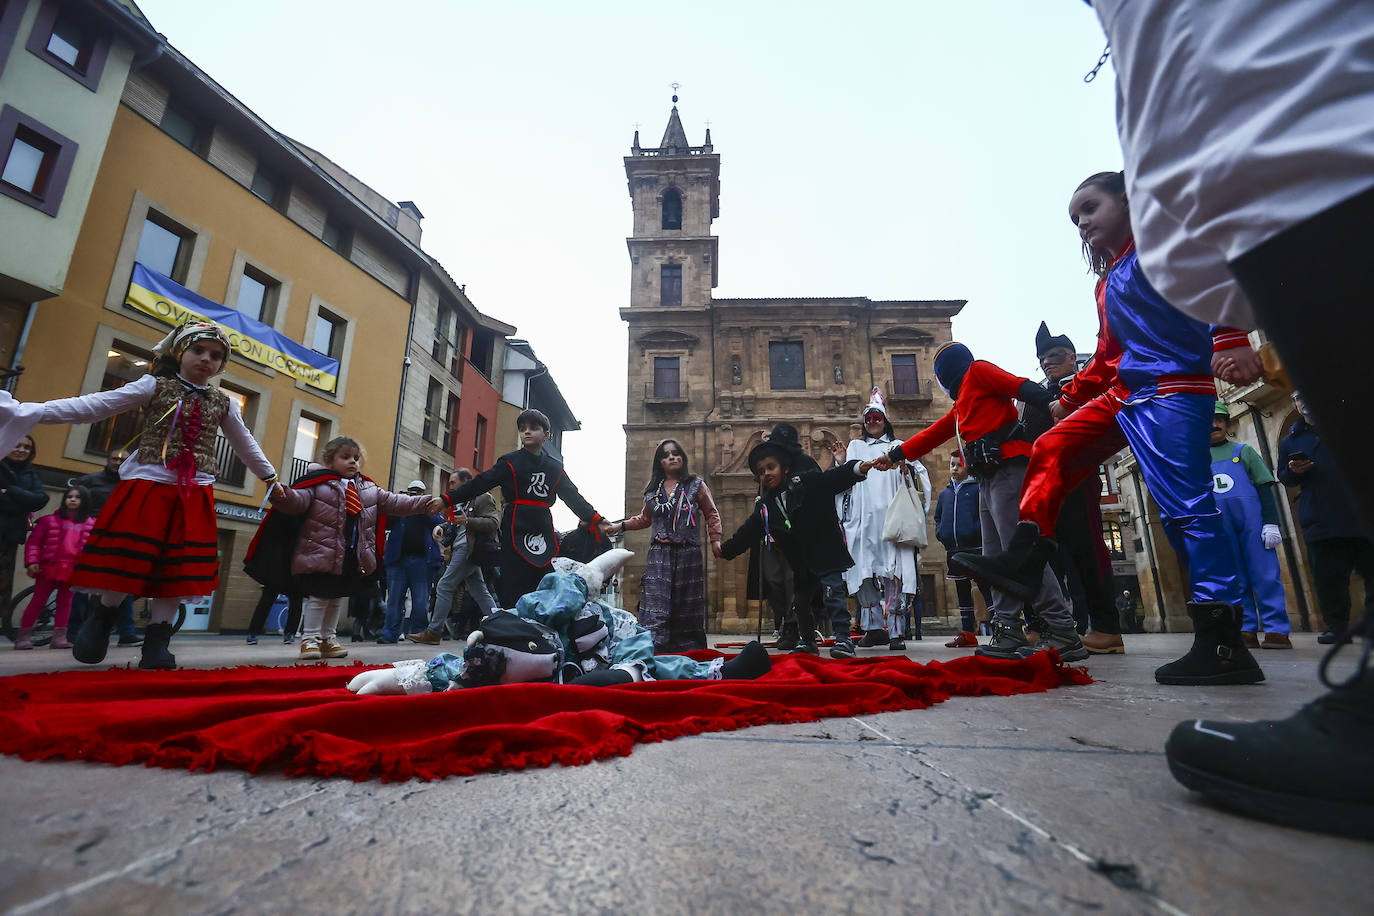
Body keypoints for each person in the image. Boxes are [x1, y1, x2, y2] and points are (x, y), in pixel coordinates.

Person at [954, 172, 1258, 685]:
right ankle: (1026, 559)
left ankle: (1224, 639)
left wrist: (1229, 339)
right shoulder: (1106, 282)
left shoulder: (1169, 246)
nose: (1083, 222)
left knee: (1186, 509)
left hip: (1175, 388)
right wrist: (1069, 397)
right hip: (1126, 391)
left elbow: (1217, 278)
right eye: (1075, 218)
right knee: (1049, 447)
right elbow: (1112, 355)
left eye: (1090, 208)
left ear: (1128, 201)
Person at [0, 320, 280, 670]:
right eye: (198, 351)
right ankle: (102, 621)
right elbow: (95, 405)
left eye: (216, 356)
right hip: (148, 485)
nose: (206, 359)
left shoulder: (223, 403)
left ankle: (157, 642)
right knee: (126, 559)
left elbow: (244, 442)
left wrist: (269, 477)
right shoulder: (153, 385)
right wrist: (36, 411)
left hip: (194, 493)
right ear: (180, 353)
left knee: (177, 568)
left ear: (222, 365)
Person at [874, 342, 1087, 662]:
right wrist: (894, 455)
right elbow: (931, 435)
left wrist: (1055, 401)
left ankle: (1062, 630)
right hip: (988, 478)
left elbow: (1019, 386)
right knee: (995, 558)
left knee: (1022, 552)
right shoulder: (961, 407)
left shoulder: (978, 371)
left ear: (944, 373)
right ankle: (1008, 628)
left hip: (1009, 469)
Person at [348, 549, 771, 694]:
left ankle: (715, 671)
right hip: (563, 660)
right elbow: (474, 663)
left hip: (608, 652)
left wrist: (627, 667)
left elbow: (635, 638)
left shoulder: (603, 614)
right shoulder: (520, 616)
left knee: (653, 665)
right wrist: (411, 676)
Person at [264, 437, 433, 660]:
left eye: (355, 458)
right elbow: (297, 500)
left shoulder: (368, 489)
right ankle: (309, 639)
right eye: (345, 457)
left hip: (348, 556)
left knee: (335, 597)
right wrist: (282, 493)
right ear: (329, 460)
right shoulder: (318, 486)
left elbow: (397, 502)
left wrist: (428, 503)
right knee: (318, 597)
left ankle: (328, 638)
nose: (352, 462)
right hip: (321, 553)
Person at [429, 409, 612, 610]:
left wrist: (596, 519)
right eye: (523, 429)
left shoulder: (554, 467)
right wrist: (446, 499)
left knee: (544, 578)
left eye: (534, 428)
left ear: (546, 435)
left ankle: (542, 627)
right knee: (514, 580)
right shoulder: (509, 462)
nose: (527, 432)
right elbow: (479, 483)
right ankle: (514, 628)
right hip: (515, 525)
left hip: (543, 527)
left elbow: (572, 497)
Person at [720, 438, 877, 659]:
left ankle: (843, 638)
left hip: (825, 550)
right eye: (761, 471)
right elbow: (747, 533)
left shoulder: (807, 483)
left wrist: (857, 467)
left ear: (785, 469)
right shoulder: (765, 507)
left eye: (771, 467)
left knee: (833, 593)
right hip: (802, 559)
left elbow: (832, 479)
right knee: (801, 600)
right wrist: (725, 550)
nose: (767, 473)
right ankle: (807, 640)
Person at [1023, 323, 1124, 654]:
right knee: (1052, 558)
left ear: (1071, 358)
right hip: (1047, 485)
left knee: (1088, 551)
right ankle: (1054, 626)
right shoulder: (1039, 394)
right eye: (1042, 359)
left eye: (1053, 357)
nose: (1046, 364)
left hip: (1078, 479)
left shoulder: (1085, 390)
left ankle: (1106, 628)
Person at [833, 388, 929, 651]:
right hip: (863, 523)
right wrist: (841, 462)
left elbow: (919, 475)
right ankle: (874, 628)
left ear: (885, 420)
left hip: (892, 521)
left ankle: (897, 632)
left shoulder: (898, 447)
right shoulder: (856, 446)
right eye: (868, 418)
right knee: (862, 574)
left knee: (895, 575)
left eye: (877, 417)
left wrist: (903, 466)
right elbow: (844, 481)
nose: (872, 422)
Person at [1276, 392, 1372, 646]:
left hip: (1359, 512)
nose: (1303, 399)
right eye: (1297, 396)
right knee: (1328, 579)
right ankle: (1336, 627)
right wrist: (1292, 471)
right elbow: (1284, 476)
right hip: (1321, 516)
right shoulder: (1291, 440)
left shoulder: (1348, 427)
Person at [613, 438, 723, 652]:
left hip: (688, 553)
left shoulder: (696, 485)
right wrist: (620, 527)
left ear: (682, 457)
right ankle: (655, 648)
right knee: (656, 602)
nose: (671, 457)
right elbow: (644, 519)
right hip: (659, 555)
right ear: (660, 462)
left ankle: (689, 651)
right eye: (666, 455)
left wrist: (715, 539)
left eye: (675, 453)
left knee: (687, 603)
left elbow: (711, 513)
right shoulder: (653, 491)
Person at [1209, 401, 1290, 649]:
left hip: (1253, 524)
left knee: (1265, 574)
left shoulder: (1243, 451)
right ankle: (1245, 628)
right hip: (1220, 527)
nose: (1214, 424)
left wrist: (1271, 523)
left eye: (1220, 420)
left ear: (1226, 423)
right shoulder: (1196, 460)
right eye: (1209, 420)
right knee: (1235, 579)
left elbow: (1265, 488)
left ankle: (1277, 630)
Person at [408, 468, 500, 646]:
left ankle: (434, 632)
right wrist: (441, 527)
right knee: (479, 591)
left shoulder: (483, 497)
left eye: (452, 482)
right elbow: (455, 524)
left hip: (468, 549)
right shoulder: (463, 502)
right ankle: (501, 625)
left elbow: (493, 523)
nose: (449, 486)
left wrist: (467, 521)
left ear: (465, 483)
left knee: (444, 585)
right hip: (463, 549)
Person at [70, 449, 140, 648]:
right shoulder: (90, 481)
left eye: (122, 460)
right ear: (107, 460)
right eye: (114, 458)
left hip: (121, 539)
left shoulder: (133, 484)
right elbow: (76, 507)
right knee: (85, 587)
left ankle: (127, 633)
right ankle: (75, 633)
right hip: (93, 536)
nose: (118, 462)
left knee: (120, 585)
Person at [14, 485, 94, 649]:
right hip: (48, 568)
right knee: (38, 601)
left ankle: (59, 638)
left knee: (65, 603)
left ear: (84, 501)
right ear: (64, 500)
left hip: (72, 570)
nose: (72, 499)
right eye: (69, 496)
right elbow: (34, 543)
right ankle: (23, 637)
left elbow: (93, 550)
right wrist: (32, 562)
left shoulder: (91, 524)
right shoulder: (48, 521)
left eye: (77, 497)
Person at [377, 480, 444, 644]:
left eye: (418, 492)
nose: (414, 495)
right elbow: (385, 522)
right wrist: (396, 504)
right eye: (412, 492)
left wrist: (422, 507)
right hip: (398, 561)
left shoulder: (430, 509)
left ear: (423, 494)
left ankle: (420, 632)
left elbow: (439, 523)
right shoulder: (399, 507)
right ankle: (389, 634)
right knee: (394, 599)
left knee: (420, 600)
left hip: (423, 562)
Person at [933, 450, 983, 648]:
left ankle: (1000, 629)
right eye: (951, 464)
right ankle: (968, 633)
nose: (954, 468)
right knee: (962, 592)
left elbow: (983, 513)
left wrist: (975, 531)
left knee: (986, 588)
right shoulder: (945, 493)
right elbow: (938, 517)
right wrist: (941, 533)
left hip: (975, 547)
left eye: (958, 464)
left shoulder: (977, 489)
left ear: (968, 466)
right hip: (953, 550)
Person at [0, 435, 48, 622]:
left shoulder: (30, 473)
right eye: (16, 445)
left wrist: (10, 491)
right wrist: (21, 502)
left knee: (2, 586)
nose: (21, 450)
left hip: (9, 538)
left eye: (26, 447)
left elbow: (40, 499)